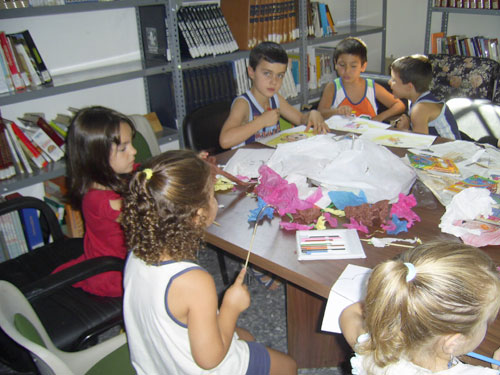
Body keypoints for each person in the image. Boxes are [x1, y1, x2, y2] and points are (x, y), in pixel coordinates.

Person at [120, 150, 297, 375]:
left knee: (247, 338)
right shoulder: (194, 281)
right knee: (288, 366)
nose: (215, 199)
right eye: (212, 195)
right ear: (197, 215)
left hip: (158, 363)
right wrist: (230, 307)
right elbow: (209, 360)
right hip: (203, 368)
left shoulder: (136, 254)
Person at [339, 241, 500, 374]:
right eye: (487, 321)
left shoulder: (374, 356)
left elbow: (349, 314)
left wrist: (389, 303)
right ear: (453, 341)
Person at [52, 106, 138, 297]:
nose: (133, 151)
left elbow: (146, 168)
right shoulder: (103, 201)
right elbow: (147, 219)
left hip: (107, 255)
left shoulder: (105, 179)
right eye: (123, 148)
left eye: (130, 144)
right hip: (115, 272)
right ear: (96, 157)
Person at [219, 41, 329, 149]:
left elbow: (300, 119)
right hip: (246, 163)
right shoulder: (243, 104)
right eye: (267, 73)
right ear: (251, 72)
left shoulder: (275, 99)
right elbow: (225, 141)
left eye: (280, 76)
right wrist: (261, 122)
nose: (274, 81)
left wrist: (312, 115)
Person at [317, 37, 405, 122]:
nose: (347, 71)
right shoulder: (333, 87)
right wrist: (336, 111)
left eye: (353, 66)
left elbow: (399, 105)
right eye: (342, 65)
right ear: (335, 64)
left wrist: (380, 117)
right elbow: (320, 113)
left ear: (363, 66)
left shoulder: (372, 87)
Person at [388, 54, 461, 139]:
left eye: (394, 80)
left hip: (449, 151)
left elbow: (419, 144)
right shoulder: (416, 100)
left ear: (409, 86)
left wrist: (404, 130)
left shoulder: (420, 109)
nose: (389, 82)